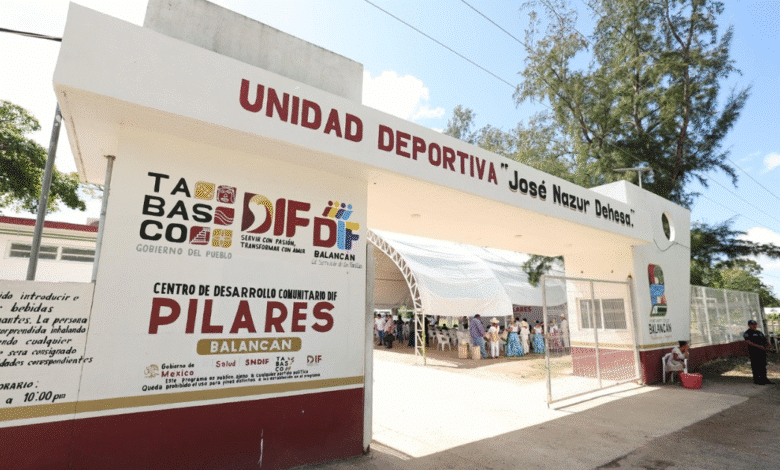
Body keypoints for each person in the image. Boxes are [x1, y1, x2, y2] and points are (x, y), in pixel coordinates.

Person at [744, 319, 775, 385]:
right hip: (754, 352)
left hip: (762, 352)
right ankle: (757, 380)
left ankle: (764, 379)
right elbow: (748, 342)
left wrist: (769, 345)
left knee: (763, 365)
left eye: (755, 324)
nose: (754, 326)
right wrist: (759, 346)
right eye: (752, 325)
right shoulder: (747, 333)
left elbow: (765, 340)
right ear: (749, 325)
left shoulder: (759, 332)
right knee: (756, 366)